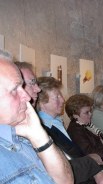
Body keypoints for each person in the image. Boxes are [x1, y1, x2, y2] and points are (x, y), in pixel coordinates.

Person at [0, 50, 73, 184]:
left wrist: (38, 136)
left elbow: (66, 181)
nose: (27, 97)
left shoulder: (22, 135)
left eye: (22, 86)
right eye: (15, 89)